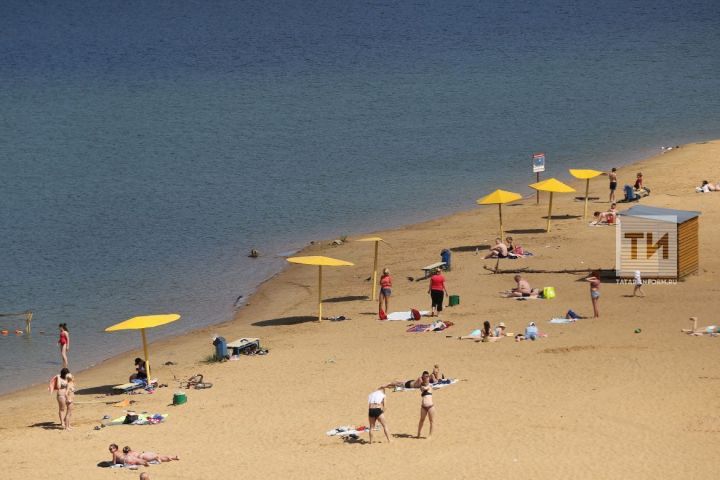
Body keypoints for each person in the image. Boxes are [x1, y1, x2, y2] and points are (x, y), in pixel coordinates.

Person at [416, 371, 435, 439]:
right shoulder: (421, 386)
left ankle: (430, 435)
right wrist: (421, 381)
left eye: (427, 376)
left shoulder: (430, 385)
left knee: (431, 421)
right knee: (421, 420)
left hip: (430, 406)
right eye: (425, 376)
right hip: (423, 407)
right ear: (423, 377)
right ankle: (418, 433)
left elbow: (426, 388)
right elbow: (422, 389)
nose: (426, 378)